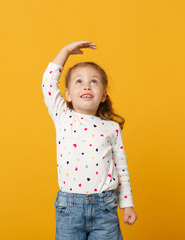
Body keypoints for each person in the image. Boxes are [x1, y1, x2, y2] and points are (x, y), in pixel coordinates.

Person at [42, 40, 137, 240]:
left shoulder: (111, 128)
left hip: (105, 208)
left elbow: (121, 168)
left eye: (94, 81)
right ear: (67, 94)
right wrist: (66, 51)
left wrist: (127, 204)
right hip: (70, 208)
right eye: (79, 81)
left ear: (103, 94)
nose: (87, 86)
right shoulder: (64, 117)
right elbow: (48, 83)